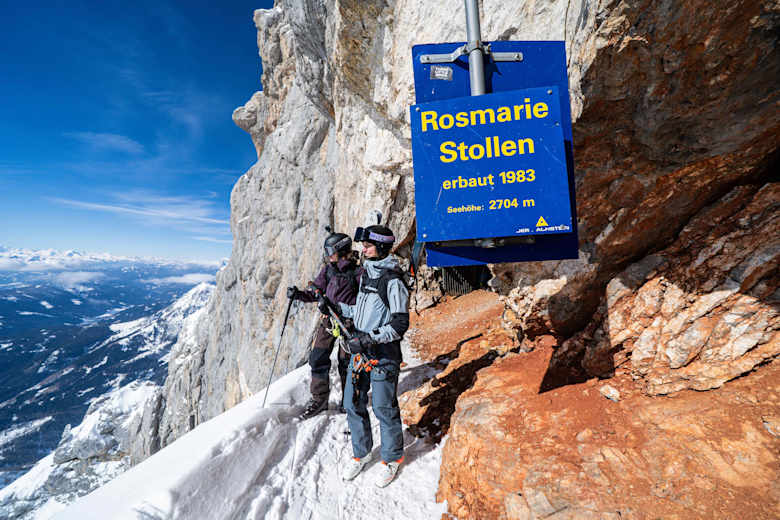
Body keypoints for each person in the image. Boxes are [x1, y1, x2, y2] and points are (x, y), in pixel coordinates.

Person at [337, 224, 410, 488]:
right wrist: (336, 307)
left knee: (383, 407)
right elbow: (361, 310)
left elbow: (400, 324)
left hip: (382, 354)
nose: (363, 249)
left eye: (367, 246)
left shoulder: (393, 280)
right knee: (352, 402)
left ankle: (392, 458)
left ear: (380, 247)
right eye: (363, 245)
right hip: (361, 352)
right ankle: (362, 453)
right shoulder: (367, 274)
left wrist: (369, 338)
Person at [287, 229, 362, 420]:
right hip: (329, 321)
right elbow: (316, 292)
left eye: (330, 252)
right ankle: (320, 399)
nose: (328, 256)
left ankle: (349, 399)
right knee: (317, 357)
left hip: (348, 324)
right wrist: (298, 295)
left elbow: (364, 302)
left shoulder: (358, 272)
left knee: (346, 362)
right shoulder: (328, 270)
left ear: (341, 251)